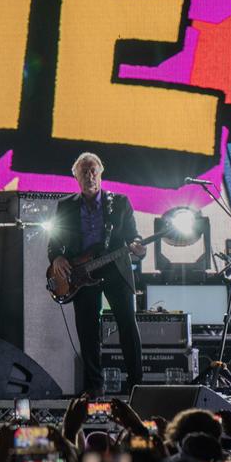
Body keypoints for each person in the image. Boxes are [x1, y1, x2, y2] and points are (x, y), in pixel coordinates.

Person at [47, 152, 146, 396]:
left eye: (93, 171)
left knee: (127, 325)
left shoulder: (120, 203)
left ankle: (136, 384)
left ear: (100, 173)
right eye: (84, 172)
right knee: (88, 331)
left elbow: (134, 236)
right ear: (77, 178)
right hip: (81, 275)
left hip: (115, 270)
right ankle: (94, 386)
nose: (90, 175)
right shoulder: (65, 206)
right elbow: (53, 244)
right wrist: (57, 258)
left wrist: (137, 247)